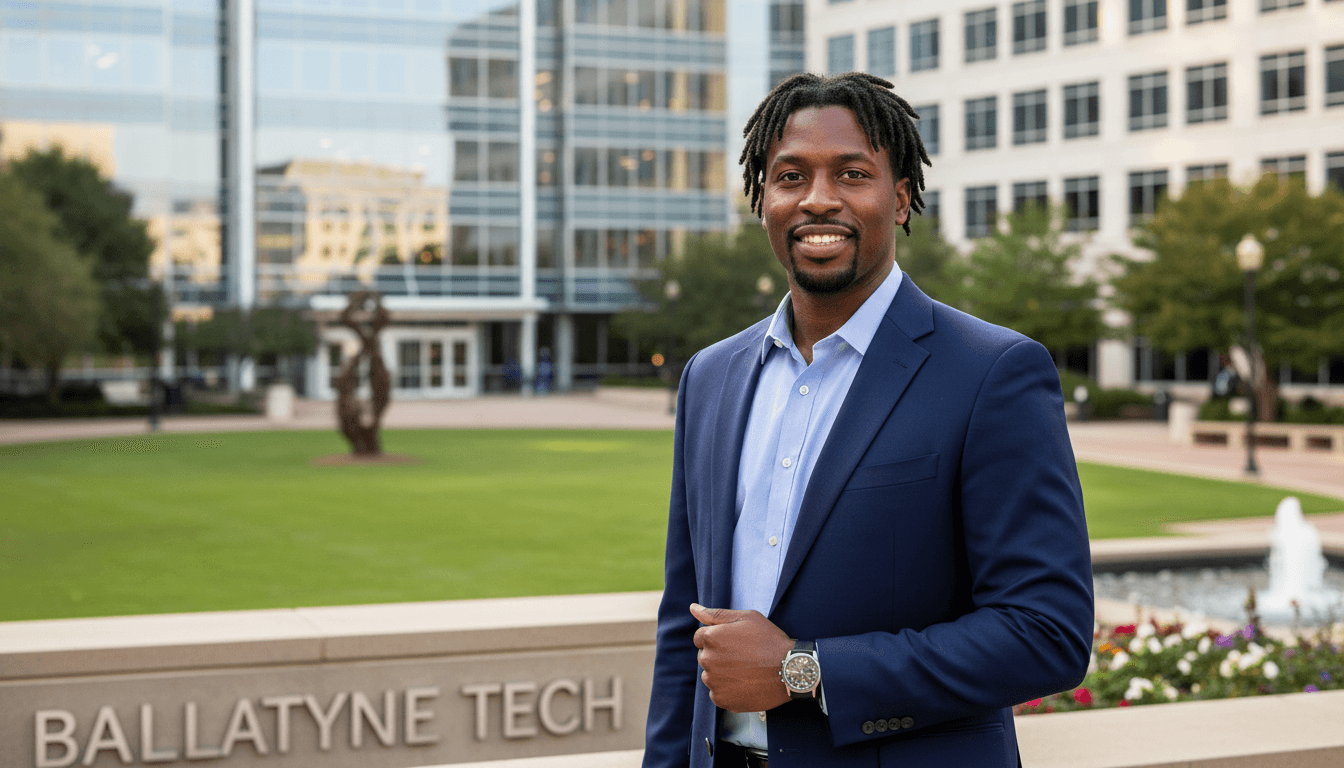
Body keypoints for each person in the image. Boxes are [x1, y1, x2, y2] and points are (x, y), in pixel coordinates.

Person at [642, 72, 1094, 768]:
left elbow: (1046, 632)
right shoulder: (711, 377)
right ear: (763, 199)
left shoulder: (991, 373)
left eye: (852, 174)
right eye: (791, 176)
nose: (818, 198)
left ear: (901, 197)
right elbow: (686, 625)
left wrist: (803, 669)